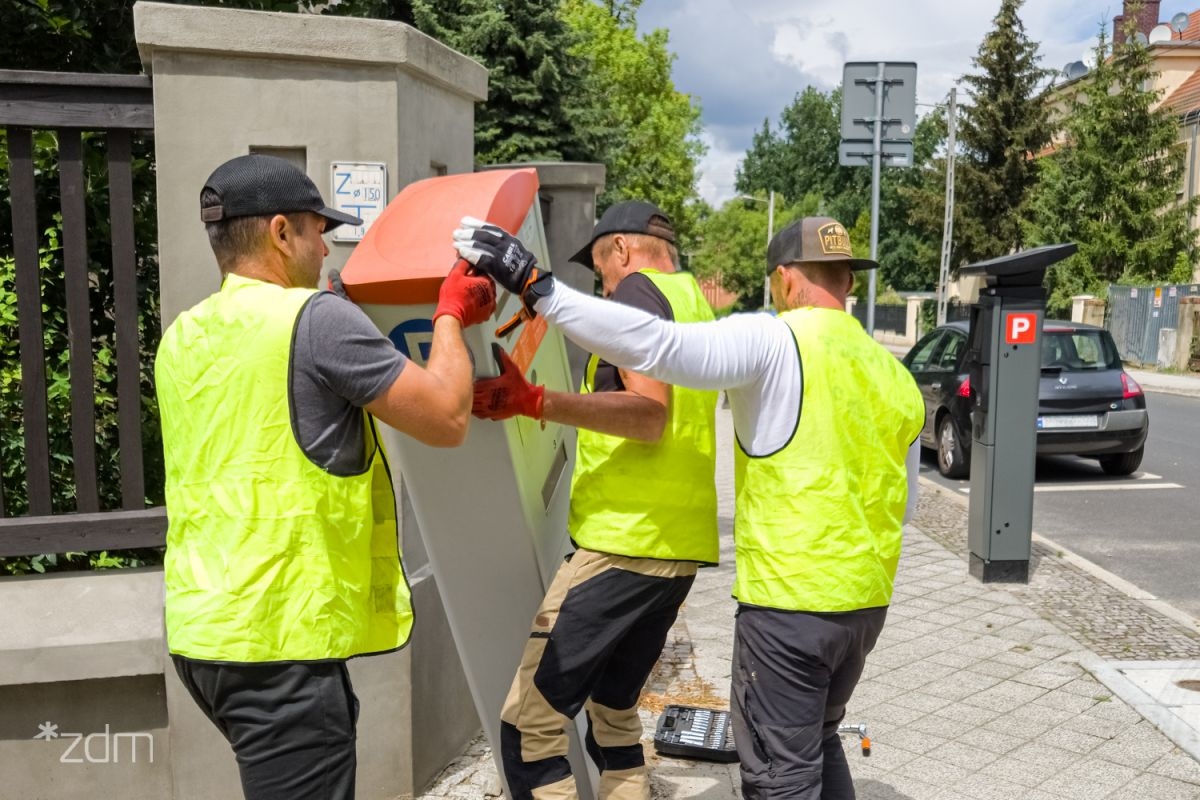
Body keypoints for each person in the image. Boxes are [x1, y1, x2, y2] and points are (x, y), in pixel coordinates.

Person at [454, 215, 924, 800]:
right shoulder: (895, 374)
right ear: (849, 282)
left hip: (782, 604)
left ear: (782, 280)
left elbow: (658, 350)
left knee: (780, 779)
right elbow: (907, 506)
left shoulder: (775, 338)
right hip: (864, 607)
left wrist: (537, 285)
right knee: (817, 743)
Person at [155, 154, 495, 800]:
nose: (326, 250)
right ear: (282, 233)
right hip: (278, 638)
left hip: (204, 631)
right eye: (318, 232)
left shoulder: (184, 334)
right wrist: (448, 314)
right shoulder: (315, 321)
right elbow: (447, 418)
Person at [472, 201, 719, 800]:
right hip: (674, 550)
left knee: (528, 727)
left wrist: (537, 402)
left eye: (599, 270)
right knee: (611, 710)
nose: (600, 285)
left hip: (622, 546)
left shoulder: (635, 293)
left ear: (621, 250)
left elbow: (649, 414)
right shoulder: (693, 302)